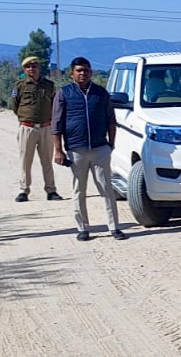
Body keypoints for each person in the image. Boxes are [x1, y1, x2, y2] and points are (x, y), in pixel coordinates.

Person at [51, 57, 127, 241]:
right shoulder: (64, 93)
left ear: (91, 72)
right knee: (79, 189)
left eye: (85, 70)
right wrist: (58, 150)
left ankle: (114, 227)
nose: (82, 73)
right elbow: (57, 124)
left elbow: (111, 120)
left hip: (100, 148)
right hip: (76, 149)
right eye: (78, 70)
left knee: (106, 188)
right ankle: (83, 228)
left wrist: (111, 144)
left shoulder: (100, 93)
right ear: (72, 73)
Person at [12, 56, 63, 202]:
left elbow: (54, 105)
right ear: (24, 69)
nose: (31, 69)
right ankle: (24, 190)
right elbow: (14, 105)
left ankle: (51, 190)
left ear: (39, 68)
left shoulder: (49, 85)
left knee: (47, 161)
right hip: (27, 127)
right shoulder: (20, 86)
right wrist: (25, 117)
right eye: (28, 67)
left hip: (46, 127)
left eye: (34, 66)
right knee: (25, 161)